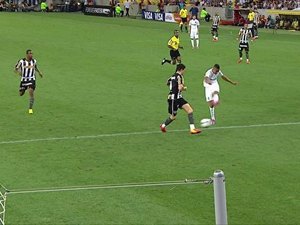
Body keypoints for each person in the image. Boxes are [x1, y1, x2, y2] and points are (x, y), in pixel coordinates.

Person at [160, 64, 201, 134]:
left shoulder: (172, 76)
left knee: (190, 110)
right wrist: (184, 88)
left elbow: (167, 82)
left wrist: (173, 87)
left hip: (176, 98)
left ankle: (192, 129)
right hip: (175, 99)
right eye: (184, 70)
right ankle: (163, 126)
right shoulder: (180, 77)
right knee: (173, 116)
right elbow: (180, 88)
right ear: (181, 69)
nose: (184, 71)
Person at [14, 50, 43, 114]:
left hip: (31, 79)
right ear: (26, 54)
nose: (31, 55)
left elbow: (35, 67)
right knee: (20, 94)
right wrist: (19, 72)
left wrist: (39, 72)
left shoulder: (34, 61)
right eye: (30, 53)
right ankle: (24, 89)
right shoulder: (21, 61)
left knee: (31, 92)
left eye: (32, 53)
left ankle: (30, 109)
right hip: (24, 80)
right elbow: (16, 69)